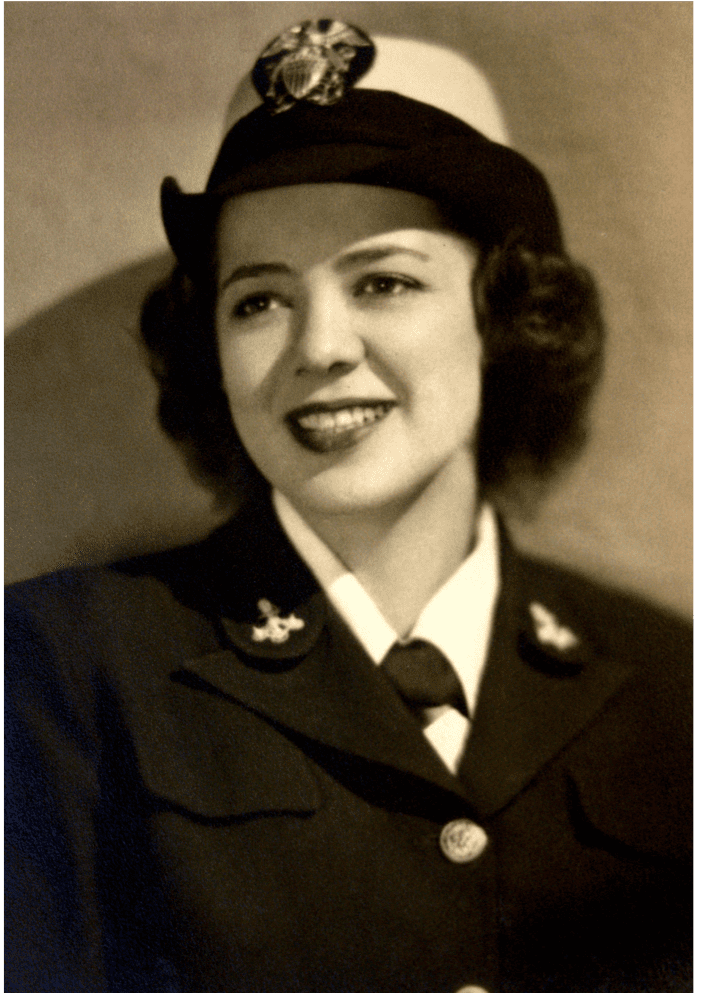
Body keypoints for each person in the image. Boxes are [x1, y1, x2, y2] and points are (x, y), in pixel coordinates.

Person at [5, 19, 691, 993]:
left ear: (504, 320)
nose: (319, 346)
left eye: (383, 282)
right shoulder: (56, 675)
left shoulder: (674, 687)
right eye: (259, 300)